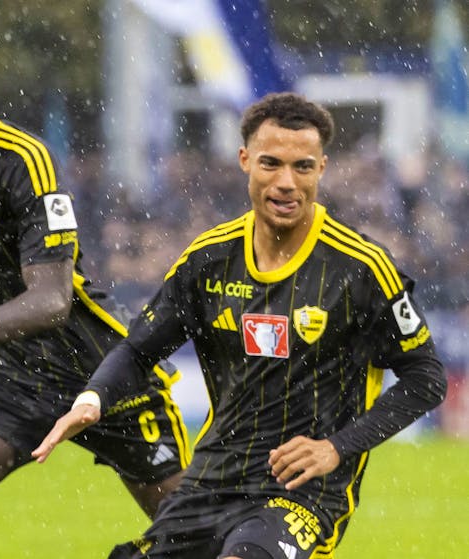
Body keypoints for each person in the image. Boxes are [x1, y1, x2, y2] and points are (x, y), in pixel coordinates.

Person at [32, 92, 448, 559]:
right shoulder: (208, 258)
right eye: (271, 163)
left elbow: (426, 379)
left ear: (323, 168)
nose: (287, 182)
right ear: (245, 160)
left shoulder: (361, 267)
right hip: (213, 479)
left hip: (303, 492)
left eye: (303, 167)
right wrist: (93, 398)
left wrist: (335, 447)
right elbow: (137, 350)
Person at [0, 18, 191, 558]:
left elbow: (51, 301)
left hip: (98, 374)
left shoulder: (21, 160)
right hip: (9, 378)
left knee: (195, 539)